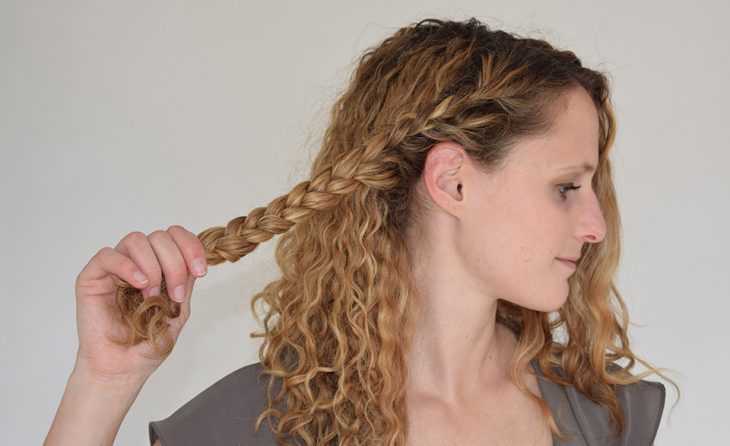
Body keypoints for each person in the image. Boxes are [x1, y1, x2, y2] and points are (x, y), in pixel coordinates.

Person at [44, 17, 676, 446]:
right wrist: (104, 381)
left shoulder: (602, 416)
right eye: (567, 186)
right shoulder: (257, 424)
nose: (594, 226)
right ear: (453, 181)